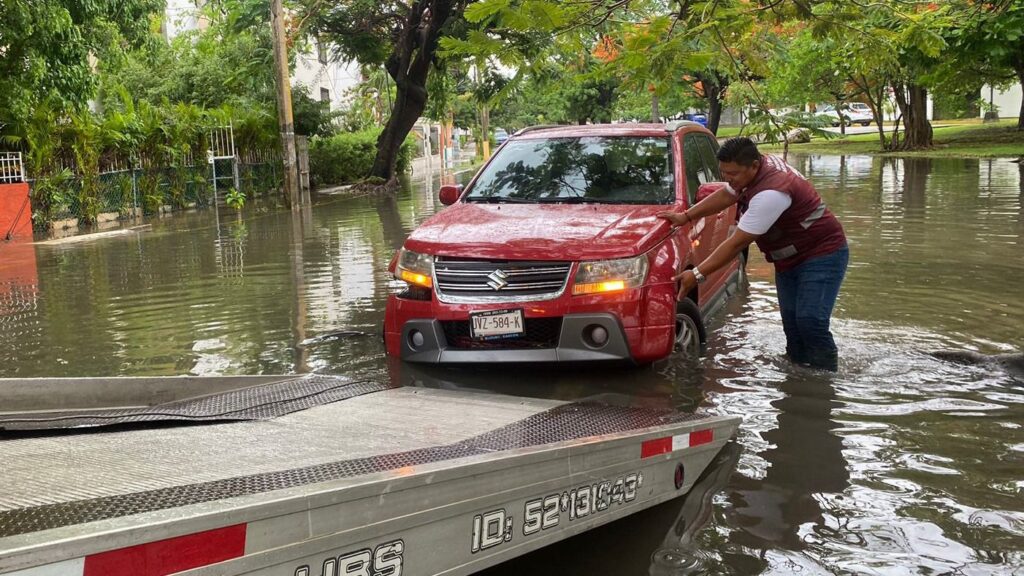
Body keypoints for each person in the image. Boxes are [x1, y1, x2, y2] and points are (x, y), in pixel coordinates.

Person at [657, 137, 848, 371]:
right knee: (792, 324)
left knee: (811, 322)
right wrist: (686, 216)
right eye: (724, 172)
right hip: (788, 259)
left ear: (754, 166)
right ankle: (798, 376)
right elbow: (727, 195)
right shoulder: (751, 173)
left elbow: (736, 244)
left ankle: (824, 383)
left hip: (822, 253)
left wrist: (696, 274)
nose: (728, 178)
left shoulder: (771, 193)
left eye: (733, 173)